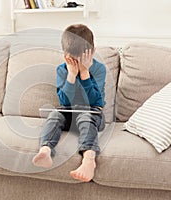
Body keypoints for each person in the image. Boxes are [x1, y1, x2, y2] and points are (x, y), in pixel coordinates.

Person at [32, 24, 106, 182]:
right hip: (69, 111)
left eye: (81, 59)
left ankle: (88, 159)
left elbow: (95, 101)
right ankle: (45, 150)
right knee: (54, 115)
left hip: (92, 113)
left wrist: (85, 74)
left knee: (85, 118)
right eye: (72, 60)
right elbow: (64, 101)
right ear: (65, 55)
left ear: (92, 52)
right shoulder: (62, 70)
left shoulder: (99, 69)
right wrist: (71, 75)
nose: (76, 64)